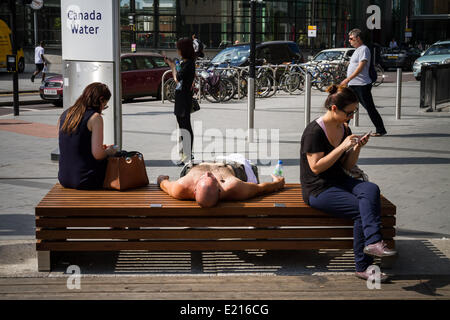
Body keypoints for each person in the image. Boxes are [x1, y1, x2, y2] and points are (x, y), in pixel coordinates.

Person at [300, 84, 397, 282]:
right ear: (334, 108)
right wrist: (343, 146)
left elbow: (346, 164)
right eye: (349, 112)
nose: (351, 116)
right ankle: (363, 266)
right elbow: (316, 167)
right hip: (318, 188)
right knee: (363, 210)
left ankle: (373, 243)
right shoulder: (314, 132)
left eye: (354, 112)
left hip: (340, 180)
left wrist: (356, 148)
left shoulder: (344, 127)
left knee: (370, 189)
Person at [157, 153, 285, 208]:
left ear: (194, 190)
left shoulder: (181, 187)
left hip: (196, 164)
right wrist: (277, 183)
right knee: (249, 168)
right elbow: (260, 189)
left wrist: (162, 178)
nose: (208, 173)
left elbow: (163, 183)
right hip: (230, 164)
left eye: (205, 177)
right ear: (219, 189)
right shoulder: (233, 187)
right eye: (211, 177)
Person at [58, 82, 117, 189]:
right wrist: (110, 151)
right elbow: (98, 154)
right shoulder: (95, 118)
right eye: (105, 105)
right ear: (100, 99)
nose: (103, 108)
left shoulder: (67, 113)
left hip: (64, 178)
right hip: (86, 179)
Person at [340, 29, 387, 137]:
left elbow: (361, 67)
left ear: (358, 38)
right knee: (348, 106)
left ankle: (380, 129)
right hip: (354, 84)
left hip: (361, 85)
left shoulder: (364, 49)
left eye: (351, 38)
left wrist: (348, 79)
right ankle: (343, 129)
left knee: (369, 107)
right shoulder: (357, 50)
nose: (349, 41)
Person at [164, 38, 197, 166]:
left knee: (185, 128)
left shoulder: (189, 64)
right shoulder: (186, 63)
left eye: (179, 48)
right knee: (184, 127)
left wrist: (171, 66)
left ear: (184, 50)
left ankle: (188, 156)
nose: (177, 51)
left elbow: (177, 78)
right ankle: (186, 155)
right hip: (182, 98)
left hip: (184, 99)